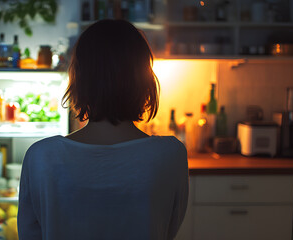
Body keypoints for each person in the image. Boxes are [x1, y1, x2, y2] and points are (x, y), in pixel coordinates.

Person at [18, 19, 189, 240]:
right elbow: (165, 230)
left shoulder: (40, 156)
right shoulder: (170, 155)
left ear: (78, 80)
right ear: (145, 81)